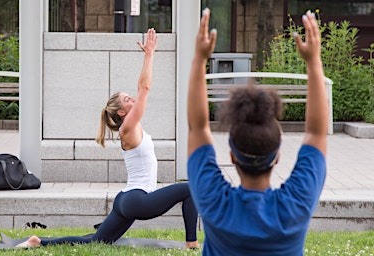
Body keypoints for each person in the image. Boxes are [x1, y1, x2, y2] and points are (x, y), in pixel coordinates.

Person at [17, 28, 200, 249]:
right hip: (137, 200)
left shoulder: (132, 126)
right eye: (127, 99)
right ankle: (192, 243)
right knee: (191, 188)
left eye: (129, 96)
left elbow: (141, 88)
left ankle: (39, 242)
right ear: (122, 112)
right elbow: (145, 88)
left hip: (127, 199)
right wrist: (149, 54)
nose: (132, 97)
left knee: (95, 241)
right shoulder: (128, 128)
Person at [186, 8, 327, 256]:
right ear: (277, 156)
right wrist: (313, 61)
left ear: (232, 156)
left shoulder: (215, 204)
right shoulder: (295, 207)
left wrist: (199, 59)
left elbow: (198, 127)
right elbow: (317, 133)